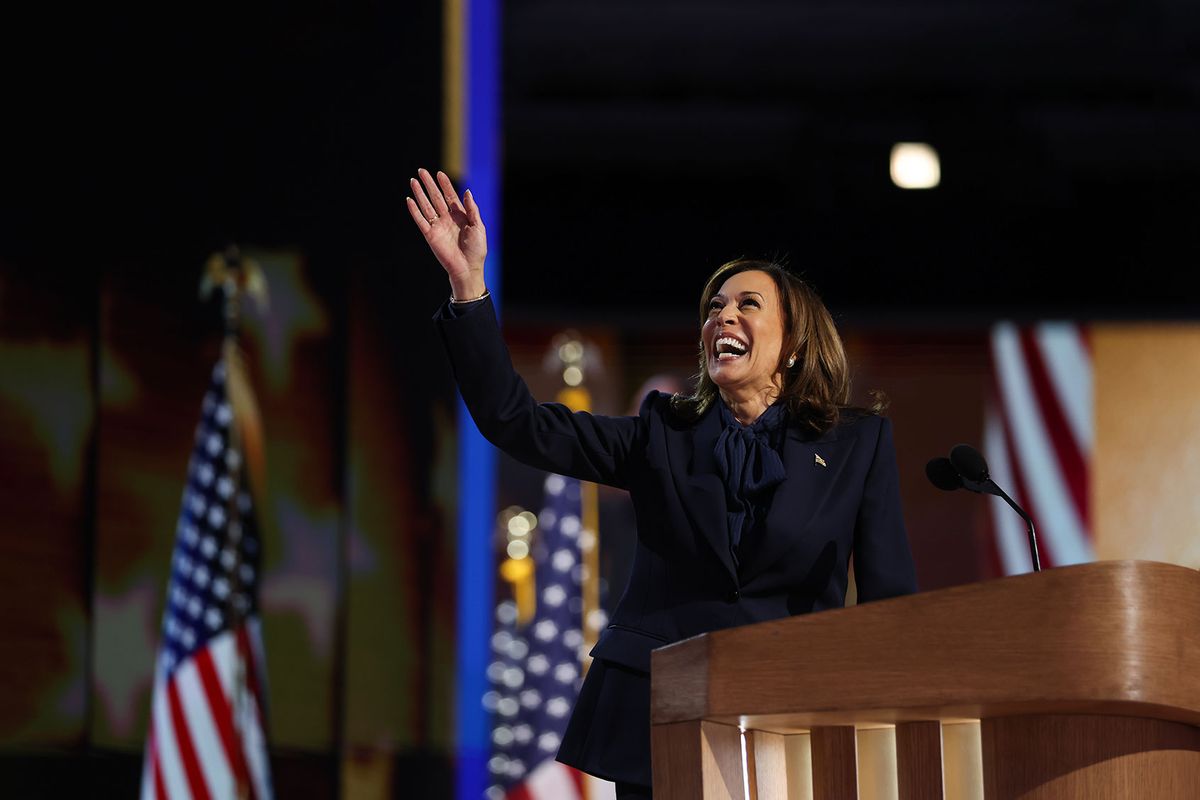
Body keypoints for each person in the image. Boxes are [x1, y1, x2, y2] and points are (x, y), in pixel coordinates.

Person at [407, 168, 917, 799]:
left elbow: (891, 603)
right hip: (662, 719)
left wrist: (884, 724)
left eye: (746, 305)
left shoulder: (855, 446)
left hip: (794, 718)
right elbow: (516, 422)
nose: (722, 316)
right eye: (714, 308)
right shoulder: (661, 434)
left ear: (793, 345)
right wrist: (468, 286)